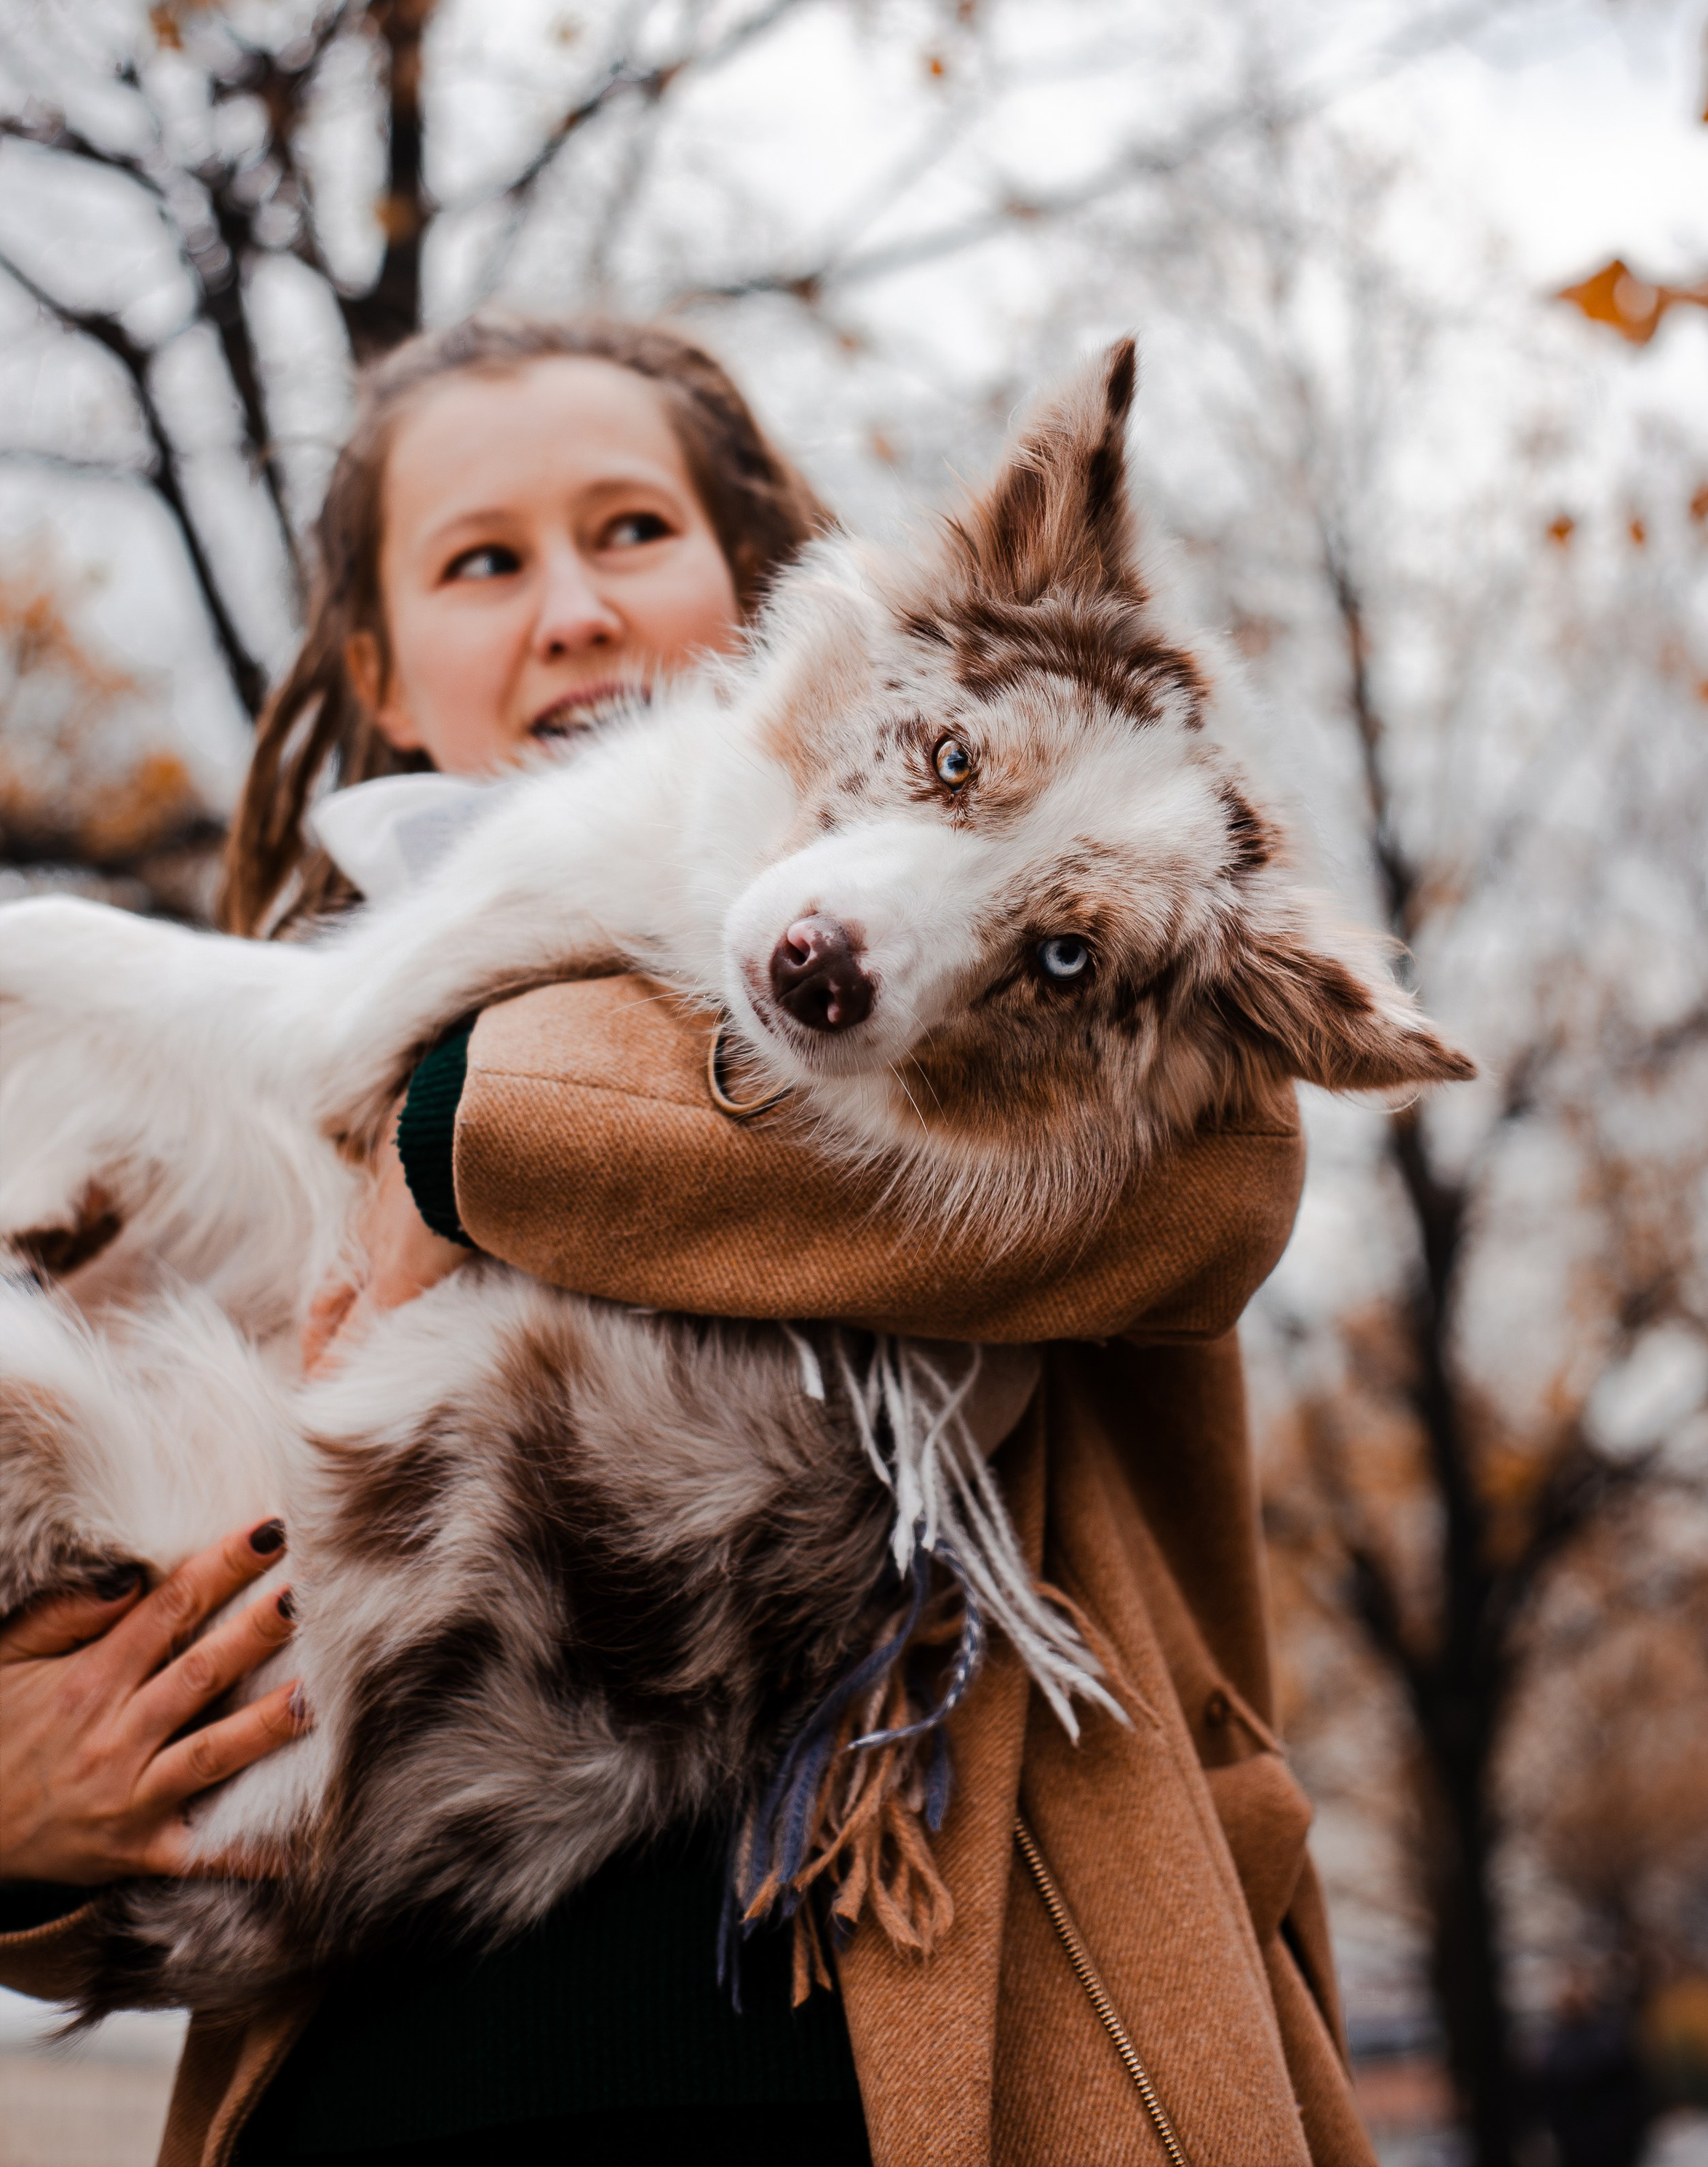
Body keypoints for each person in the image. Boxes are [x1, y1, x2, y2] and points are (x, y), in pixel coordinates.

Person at [0, 317, 1375, 2167]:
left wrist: (441, 1131)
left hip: (923, 2076)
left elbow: (1208, 1193)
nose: (567, 606)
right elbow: (151, 1728)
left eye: (628, 530)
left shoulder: (1075, 1012)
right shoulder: (207, 1086)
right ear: (378, 667)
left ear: (750, 564)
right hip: (376, 2087)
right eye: (483, 562)